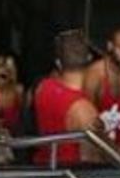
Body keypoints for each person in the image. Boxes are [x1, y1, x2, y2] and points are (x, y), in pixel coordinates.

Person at [32, 30, 101, 165]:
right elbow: (91, 165)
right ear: (89, 58)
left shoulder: (42, 88)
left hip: (44, 171)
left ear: (58, 63)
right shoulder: (84, 110)